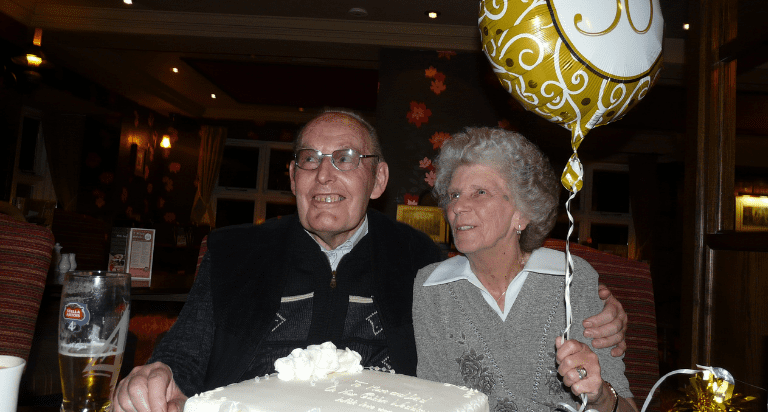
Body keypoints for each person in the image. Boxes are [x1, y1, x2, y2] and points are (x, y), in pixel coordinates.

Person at [113, 111, 627, 412]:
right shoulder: (233, 251)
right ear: (292, 179)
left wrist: (605, 314)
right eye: (309, 160)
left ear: (377, 182)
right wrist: (159, 370)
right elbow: (188, 342)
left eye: (346, 159)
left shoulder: (419, 261)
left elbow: (505, 299)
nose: (324, 175)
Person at [413, 126, 638, 412]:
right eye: (454, 195)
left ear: (522, 213)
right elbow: (433, 401)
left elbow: (627, 407)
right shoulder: (432, 286)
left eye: (480, 192)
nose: (459, 207)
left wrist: (600, 396)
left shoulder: (572, 278)